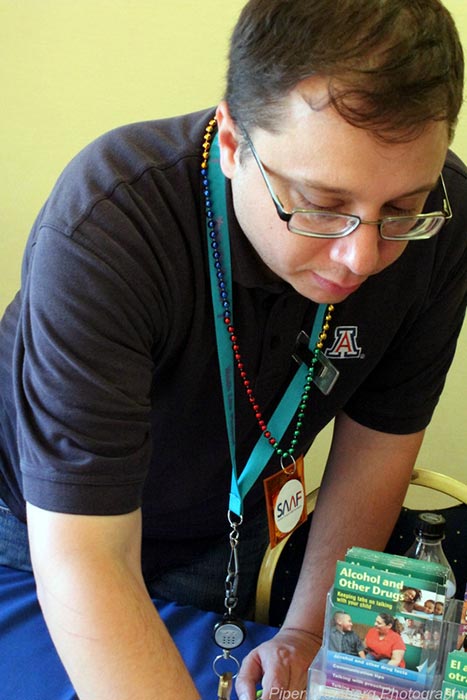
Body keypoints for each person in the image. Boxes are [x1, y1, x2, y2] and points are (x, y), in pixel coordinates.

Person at [0, 0, 465, 698]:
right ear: (229, 142)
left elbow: (379, 448)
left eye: (401, 209)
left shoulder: (447, 220)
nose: (361, 255)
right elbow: (85, 557)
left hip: (228, 526)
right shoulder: (110, 223)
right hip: (40, 531)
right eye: (318, 202)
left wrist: (306, 635)